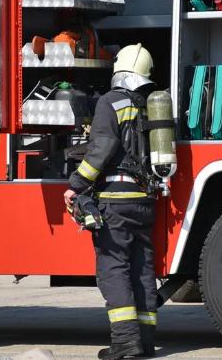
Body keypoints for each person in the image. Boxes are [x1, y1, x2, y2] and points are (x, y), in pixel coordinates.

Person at [64, 44, 159, 360]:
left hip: (115, 202)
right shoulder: (150, 106)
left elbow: (102, 148)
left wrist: (76, 185)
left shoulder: (110, 102)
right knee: (142, 272)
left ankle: (125, 343)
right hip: (145, 201)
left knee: (113, 270)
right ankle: (144, 342)